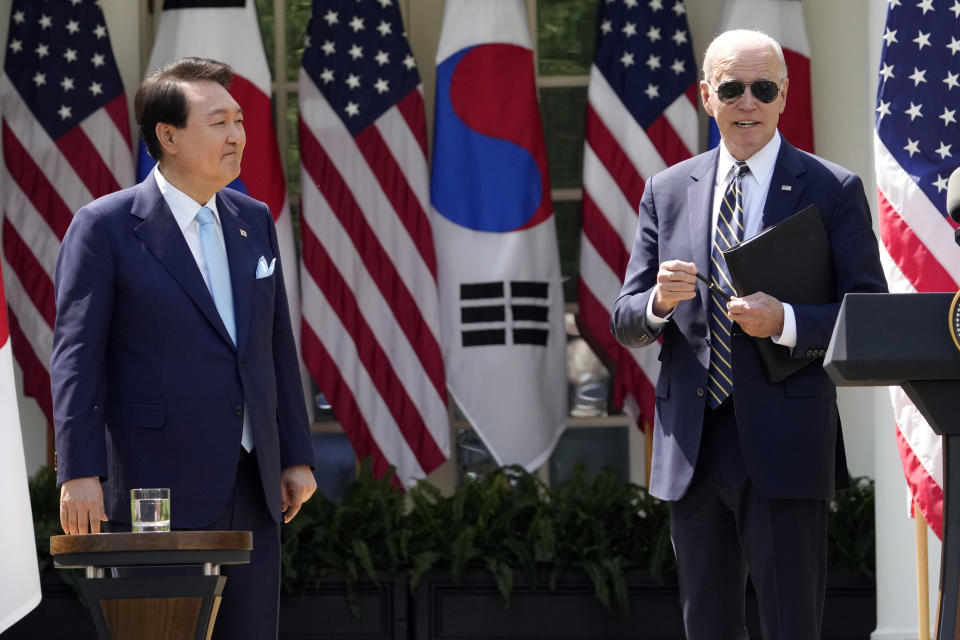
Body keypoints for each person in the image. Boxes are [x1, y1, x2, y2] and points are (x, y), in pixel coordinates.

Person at [610, 30, 887, 640]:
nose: (748, 103)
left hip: (786, 445)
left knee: (792, 626)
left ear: (783, 96)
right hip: (694, 446)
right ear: (708, 96)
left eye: (763, 89)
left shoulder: (831, 189)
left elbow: (869, 314)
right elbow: (625, 317)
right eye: (732, 89)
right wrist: (657, 302)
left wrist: (785, 322)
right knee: (706, 626)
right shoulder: (665, 191)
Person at [51, 57, 317, 639]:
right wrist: (79, 472)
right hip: (154, 485)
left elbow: (274, 345)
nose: (237, 135)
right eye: (218, 122)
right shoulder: (106, 226)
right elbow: (76, 359)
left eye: (240, 121)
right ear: (167, 137)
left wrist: (295, 452)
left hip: (254, 480)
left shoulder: (254, 220)